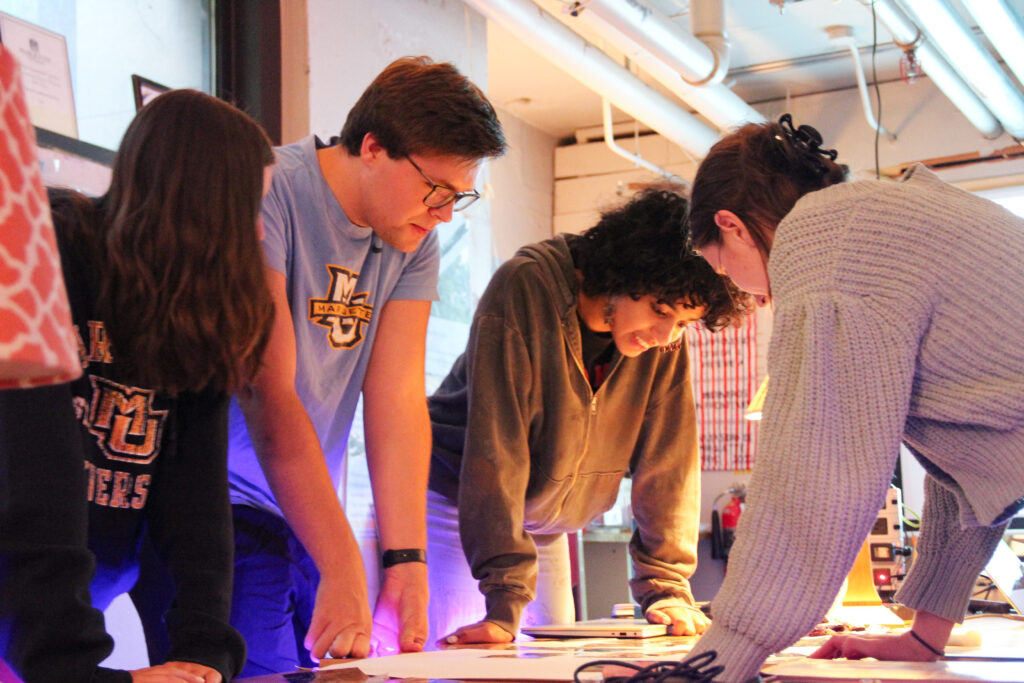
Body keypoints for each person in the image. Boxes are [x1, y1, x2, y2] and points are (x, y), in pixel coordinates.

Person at [683, 114, 1024, 682]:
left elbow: (815, 470)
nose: (748, 291)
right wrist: (924, 636)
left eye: (722, 265)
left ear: (732, 225)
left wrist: (720, 658)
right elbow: (969, 469)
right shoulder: (895, 216)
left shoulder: (827, 242)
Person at [223, 56, 506, 675]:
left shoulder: (412, 240)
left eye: (460, 196)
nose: (443, 213)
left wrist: (406, 561)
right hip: (225, 503)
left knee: (336, 667)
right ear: (373, 147)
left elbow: (398, 398)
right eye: (436, 189)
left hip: (307, 510)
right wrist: (345, 562)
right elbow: (267, 390)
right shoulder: (267, 187)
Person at [0, 89, 276, 682]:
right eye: (250, 207)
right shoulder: (53, 252)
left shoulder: (193, 316)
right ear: (204, 203)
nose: (256, 234)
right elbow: (29, 488)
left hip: (63, 614)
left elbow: (198, 502)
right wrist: (75, 669)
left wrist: (205, 648)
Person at [425, 188, 753, 646]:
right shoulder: (527, 286)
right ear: (622, 272)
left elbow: (670, 459)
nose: (664, 336)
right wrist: (504, 597)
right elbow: (496, 447)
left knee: (549, 664)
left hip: (544, 520)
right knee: (464, 662)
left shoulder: (662, 341)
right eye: (660, 310)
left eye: (682, 323)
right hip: (459, 503)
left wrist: (665, 588)